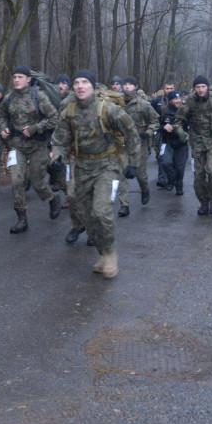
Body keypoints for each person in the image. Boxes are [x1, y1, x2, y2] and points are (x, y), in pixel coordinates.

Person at [51, 70, 140, 278]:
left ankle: (110, 254)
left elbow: (131, 132)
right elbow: (60, 141)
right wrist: (57, 158)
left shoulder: (108, 109)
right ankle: (102, 253)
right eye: (77, 82)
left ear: (93, 86)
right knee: (85, 215)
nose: (80, 86)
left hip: (106, 166)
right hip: (81, 167)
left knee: (101, 212)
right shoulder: (68, 111)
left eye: (85, 82)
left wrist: (133, 163)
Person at [0, 66, 62, 233]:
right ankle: (22, 219)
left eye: (20, 77)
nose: (17, 80)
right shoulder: (9, 98)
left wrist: (37, 127)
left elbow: (54, 118)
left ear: (28, 79)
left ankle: (52, 199)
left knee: (37, 182)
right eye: (15, 77)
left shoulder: (39, 97)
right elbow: (2, 116)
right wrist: (4, 128)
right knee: (17, 181)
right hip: (17, 145)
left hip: (37, 146)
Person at [175, 75, 212, 216]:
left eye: (203, 87)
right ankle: (203, 202)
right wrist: (180, 131)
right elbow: (178, 120)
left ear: (207, 87)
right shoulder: (189, 101)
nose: (201, 90)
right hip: (197, 142)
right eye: (197, 87)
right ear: (194, 88)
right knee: (199, 175)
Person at [116, 76, 159, 212]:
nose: (127, 87)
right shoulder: (117, 103)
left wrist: (148, 132)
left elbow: (155, 121)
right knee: (121, 174)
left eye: (130, 84)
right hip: (121, 144)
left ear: (136, 87)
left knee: (140, 174)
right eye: (125, 84)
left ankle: (145, 189)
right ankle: (124, 204)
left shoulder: (143, 104)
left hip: (140, 144)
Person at [158, 91, 189, 194]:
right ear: (170, 100)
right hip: (168, 142)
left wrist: (189, 133)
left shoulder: (186, 109)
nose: (178, 101)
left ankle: (179, 185)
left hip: (181, 142)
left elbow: (193, 123)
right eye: (175, 99)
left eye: (179, 98)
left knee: (180, 167)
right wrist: (163, 127)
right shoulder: (163, 110)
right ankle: (171, 179)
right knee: (165, 162)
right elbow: (155, 123)